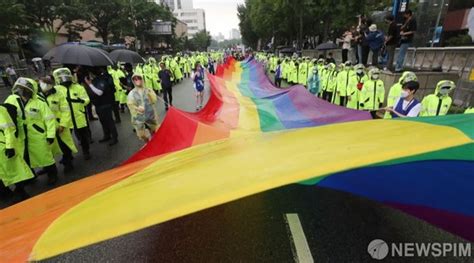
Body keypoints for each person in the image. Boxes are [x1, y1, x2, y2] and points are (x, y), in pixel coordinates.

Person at [5, 78, 58, 185]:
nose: (22, 90)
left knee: (45, 156)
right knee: (25, 157)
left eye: (25, 88)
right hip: (21, 136)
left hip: (37, 135)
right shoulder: (11, 100)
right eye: (21, 88)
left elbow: (50, 119)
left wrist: (51, 135)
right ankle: (30, 176)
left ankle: (52, 174)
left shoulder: (39, 103)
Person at [39, 76, 78, 173]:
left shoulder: (58, 94)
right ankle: (47, 167)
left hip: (59, 126)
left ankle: (68, 162)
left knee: (64, 145)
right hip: (45, 127)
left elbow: (65, 110)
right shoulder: (37, 97)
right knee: (46, 148)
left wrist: (63, 125)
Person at [53, 68, 92, 160]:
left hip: (78, 116)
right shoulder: (56, 90)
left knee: (83, 137)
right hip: (65, 119)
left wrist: (80, 101)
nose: (65, 80)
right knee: (64, 139)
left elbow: (87, 99)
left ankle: (86, 151)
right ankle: (67, 156)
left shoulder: (78, 87)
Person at [0, 102, 34, 200]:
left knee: (15, 171)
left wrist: (10, 146)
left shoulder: (1, 110)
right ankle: (6, 194)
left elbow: (9, 129)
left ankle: (21, 192)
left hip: (3, 147)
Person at [84, 67, 118, 146]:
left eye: (90, 73)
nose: (89, 75)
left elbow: (99, 92)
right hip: (98, 105)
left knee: (109, 122)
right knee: (103, 121)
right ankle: (107, 135)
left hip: (105, 104)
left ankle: (114, 138)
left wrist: (90, 84)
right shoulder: (95, 81)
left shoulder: (101, 80)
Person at [127, 73, 159, 142]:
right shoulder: (131, 93)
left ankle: (154, 144)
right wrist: (137, 108)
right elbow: (130, 105)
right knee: (142, 135)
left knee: (154, 132)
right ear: (133, 81)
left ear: (142, 79)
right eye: (135, 79)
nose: (137, 80)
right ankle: (147, 142)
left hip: (150, 115)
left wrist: (150, 94)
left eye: (139, 78)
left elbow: (154, 101)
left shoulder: (148, 90)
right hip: (139, 119)